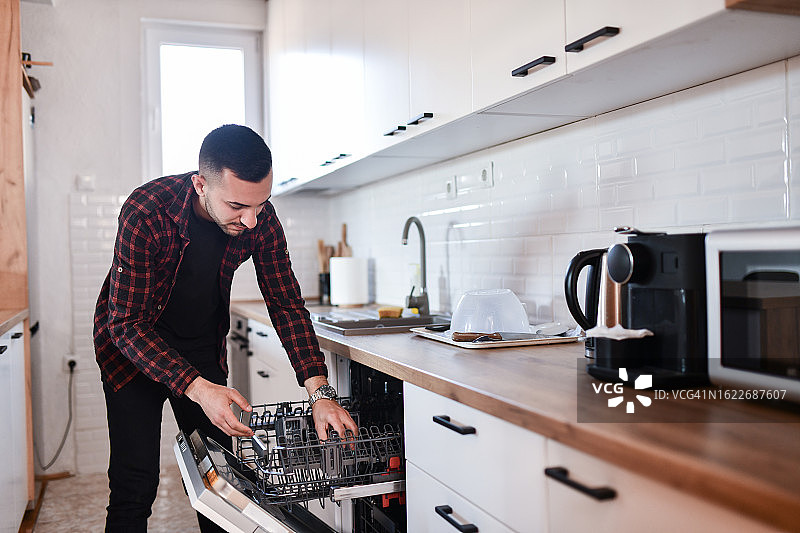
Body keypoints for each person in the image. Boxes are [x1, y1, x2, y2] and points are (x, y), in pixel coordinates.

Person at [93, 124, 357, 532]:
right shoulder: (147, 210)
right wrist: (197, 388)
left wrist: (320, 393)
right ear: (201, 184)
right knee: (135, 484)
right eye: (237, 206)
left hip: (200, 348)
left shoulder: (259, 218)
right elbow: (125, 324)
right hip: (132, 352)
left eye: (261, 204)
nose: (251, 220)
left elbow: (286, 303)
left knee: (221, 483)